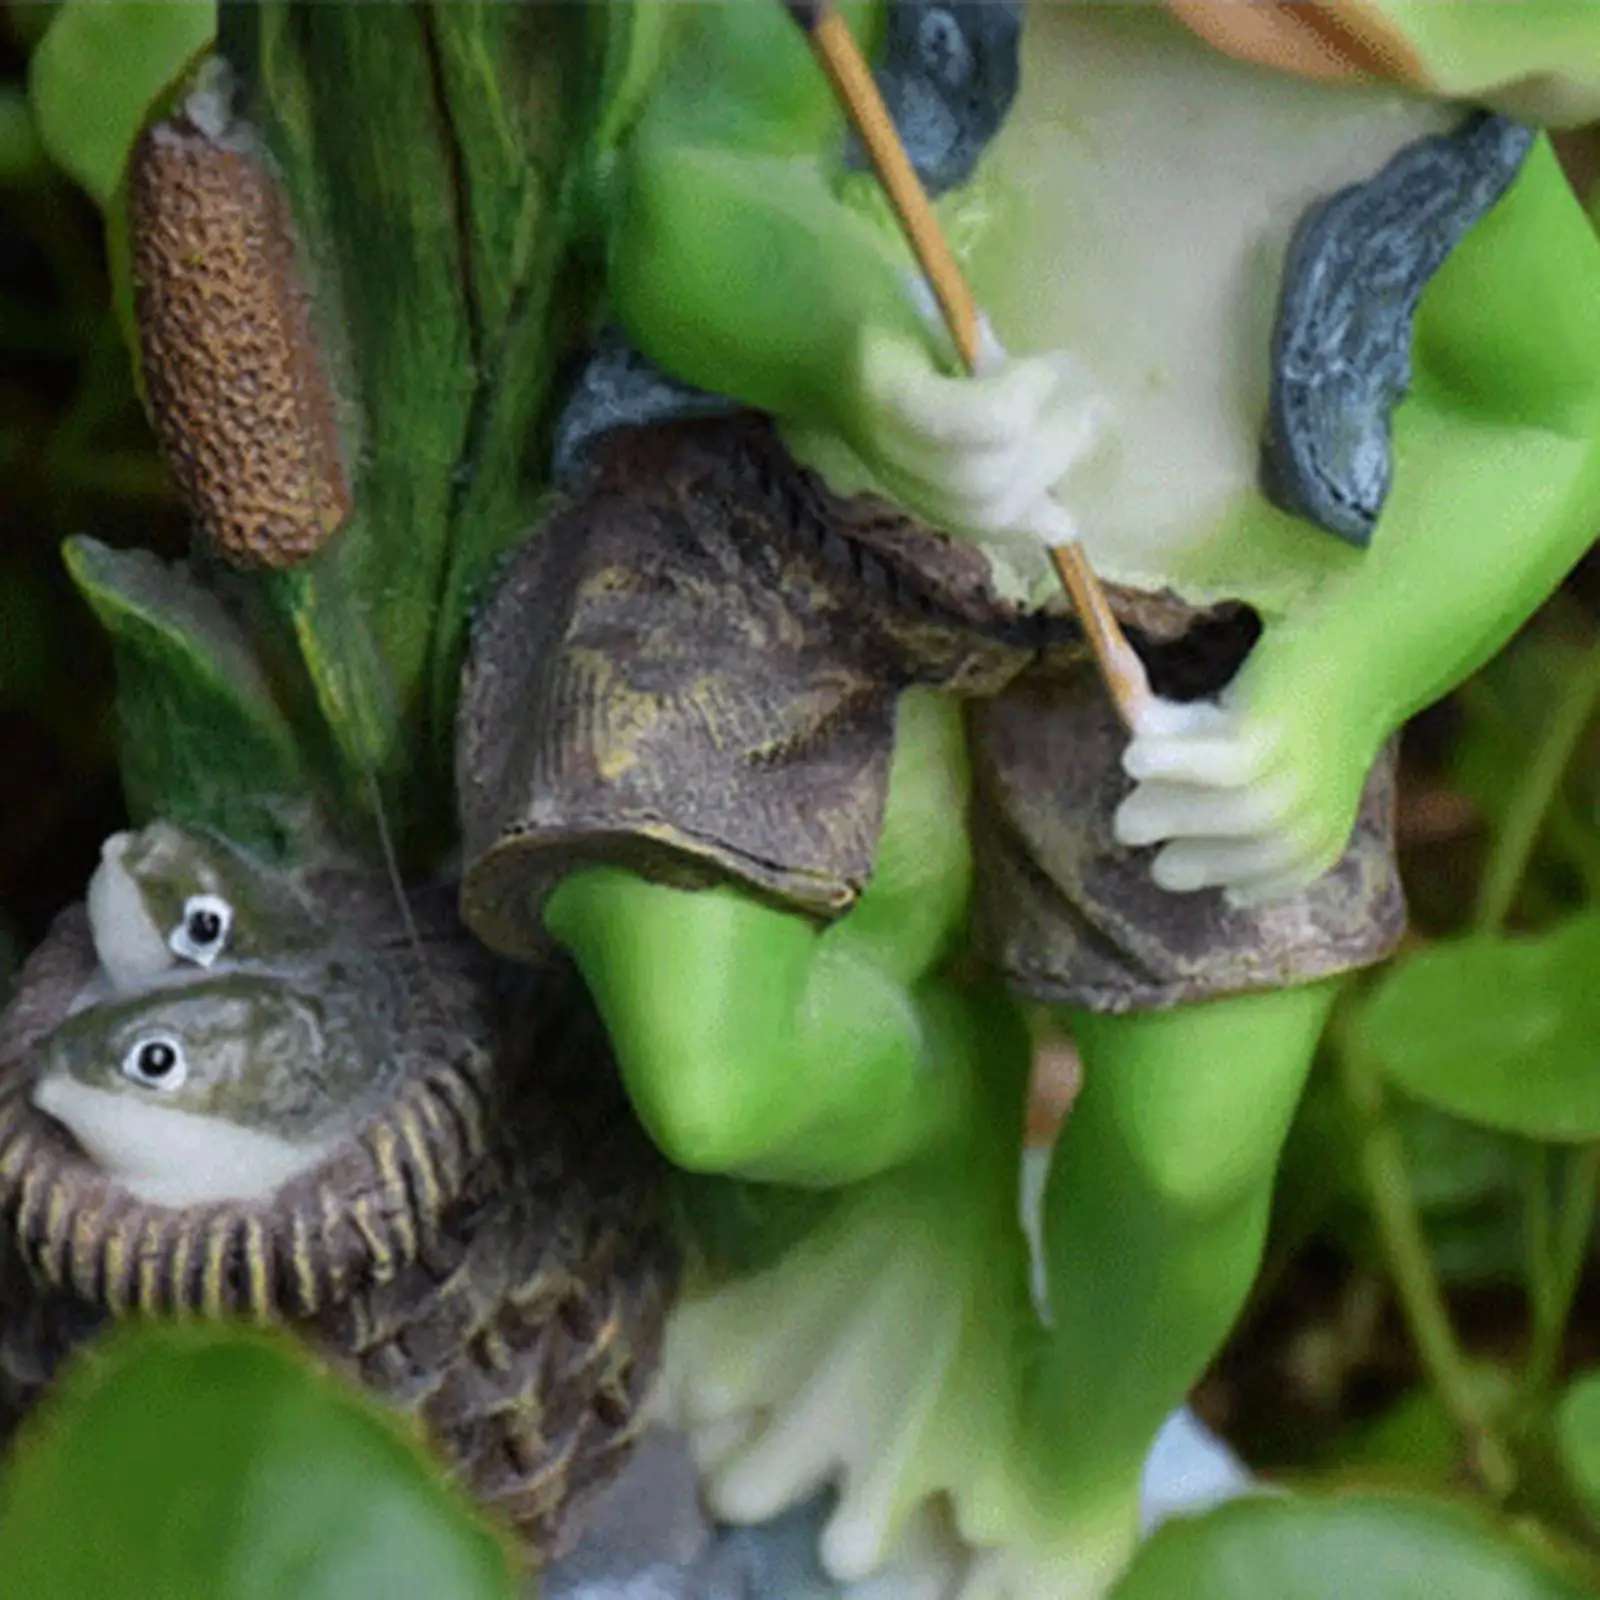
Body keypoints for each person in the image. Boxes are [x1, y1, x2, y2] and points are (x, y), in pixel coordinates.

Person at [458, 4, 1600, 1590]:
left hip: (1214, 637)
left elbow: (1554, 423)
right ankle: (937, 1144)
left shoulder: (1460, 158)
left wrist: (1343, 693)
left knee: (1196, 1146)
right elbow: (691, 195)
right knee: (707, 1071)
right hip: (814, 517)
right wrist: (857, 362)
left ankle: (1067, 1469)